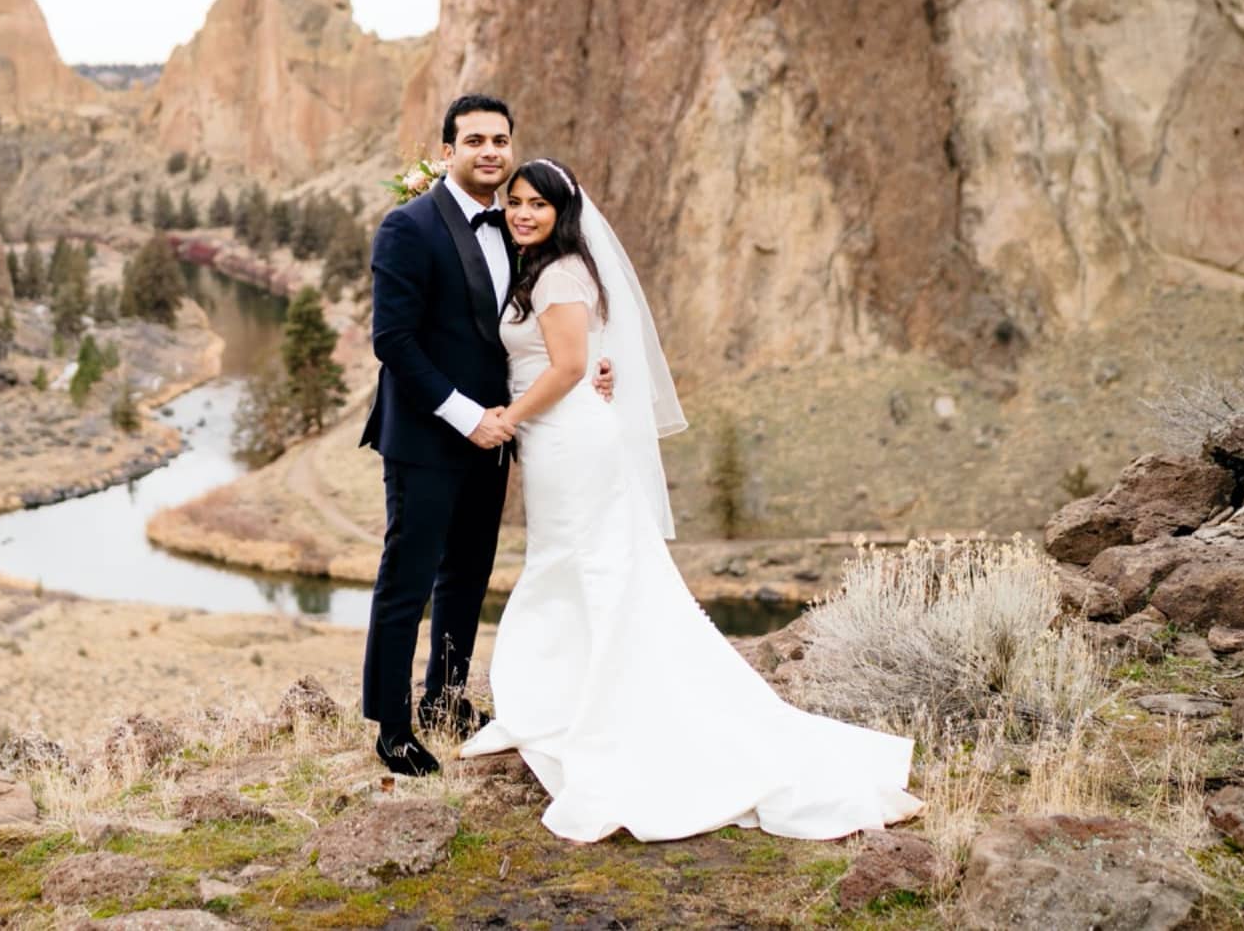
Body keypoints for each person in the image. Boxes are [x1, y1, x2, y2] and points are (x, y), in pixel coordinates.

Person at [459, 156, 923, 842]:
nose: (524, 214)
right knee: (572, 566)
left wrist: (506, 416)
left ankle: (579, 711)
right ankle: (557, 701)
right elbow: (585, 360)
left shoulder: (559, 273)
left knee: (578, 567)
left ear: (564, 214)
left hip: (569, 439)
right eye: (517, 202)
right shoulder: (545, 268)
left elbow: (566, 367)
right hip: (562, 438)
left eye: (539, 205)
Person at [359, 95, 612, 776]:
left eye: (500, 139)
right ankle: (391, 726)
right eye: (475, 140)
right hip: (429, 438)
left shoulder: (518, 227)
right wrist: (468, 417)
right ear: (448, 152)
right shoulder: (407, 227)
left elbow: (551, 324)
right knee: (406, 583)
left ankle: (445, 699)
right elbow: (394, 341)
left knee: (467, 576)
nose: (491, 151)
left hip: (498, 437)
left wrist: (596, 371)